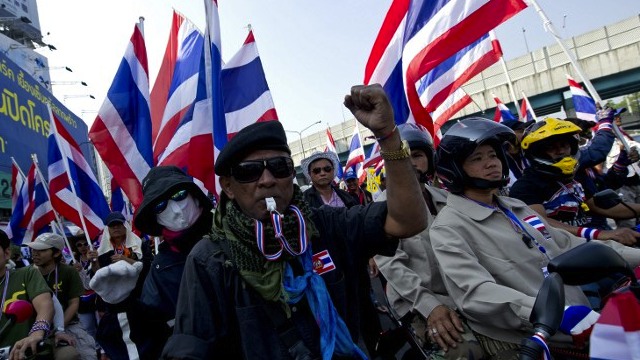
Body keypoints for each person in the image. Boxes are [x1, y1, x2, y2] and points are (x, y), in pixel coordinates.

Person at [162, 84, 428, 359]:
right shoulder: (210, 260)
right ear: (228, 187)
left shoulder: (325, 225)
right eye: (249, 172)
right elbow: (191, 349)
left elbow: (408, 220)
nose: (267, 180)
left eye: (279, 167)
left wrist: (387, 135)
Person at [430, 118, 640, 358]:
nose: (491, 164)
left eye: (493, 155)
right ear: (455, 169)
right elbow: (476, 293)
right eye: (477, 159)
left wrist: (636, 256)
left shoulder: (515, 207)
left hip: (582, 323)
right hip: (529, 342)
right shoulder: (448, 227)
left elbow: (570, 245)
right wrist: (549, 313)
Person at [374, 123, 484, 359]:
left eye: (416, 155)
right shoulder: (380, 209)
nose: (409, 162)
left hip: (468, 293)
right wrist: (430, 306)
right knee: (464, 352)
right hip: (418, 302)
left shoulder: (448, 199)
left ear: (429, 160)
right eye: (402, 155)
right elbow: (392, 266)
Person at [509, 117, 640, 245]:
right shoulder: (525, 186)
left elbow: (602, 207)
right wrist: (598, 234)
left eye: (564, 145)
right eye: (551, 147)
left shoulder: (576, 176)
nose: (560, 151)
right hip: (568, 251)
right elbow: (541, 223)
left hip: (600, 241)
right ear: (537, 152)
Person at [131, 165, 215, 358]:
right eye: (160, 205)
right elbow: (150, 342)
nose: (176, 209)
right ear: (156, 219)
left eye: (179, 194)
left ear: (195, 195)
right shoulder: (159, 272)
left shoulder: (236, 236)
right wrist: (123, 305)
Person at [89, 212, 152, 359]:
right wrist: (94, 262)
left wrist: (126, 259)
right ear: (107, 229)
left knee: (141, 338)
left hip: (137, 300)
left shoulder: (139, 244)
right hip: (113, 306)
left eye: (118, 224)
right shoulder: (103, 251)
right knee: (118, 342)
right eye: (112, 225)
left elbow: (148, 267)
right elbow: (98, 279)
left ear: (126, 226)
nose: (116, 228)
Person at [27, 232, 96, 360]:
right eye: (33, 249)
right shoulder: (28, 274)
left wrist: (59, 327)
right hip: (35, 327)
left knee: (86, 354)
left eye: (41, 250)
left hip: (68, 324)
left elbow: (74, 303)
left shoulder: (68, 271)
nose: (35, 253)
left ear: (57, 253)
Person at [0, 229, 55, 360]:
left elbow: (45, 305)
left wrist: (36, 333)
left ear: (7, 253)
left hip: (24, 353)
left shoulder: (26, 274)